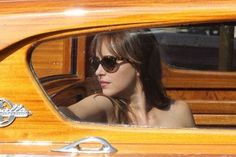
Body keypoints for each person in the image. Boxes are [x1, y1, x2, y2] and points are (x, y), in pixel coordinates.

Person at [65, 29, 195, 128]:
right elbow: (62, 115)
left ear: (138, 64)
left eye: (109, 62)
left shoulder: (179, 111)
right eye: (95, 62)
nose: (99, 72)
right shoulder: (104, 104)